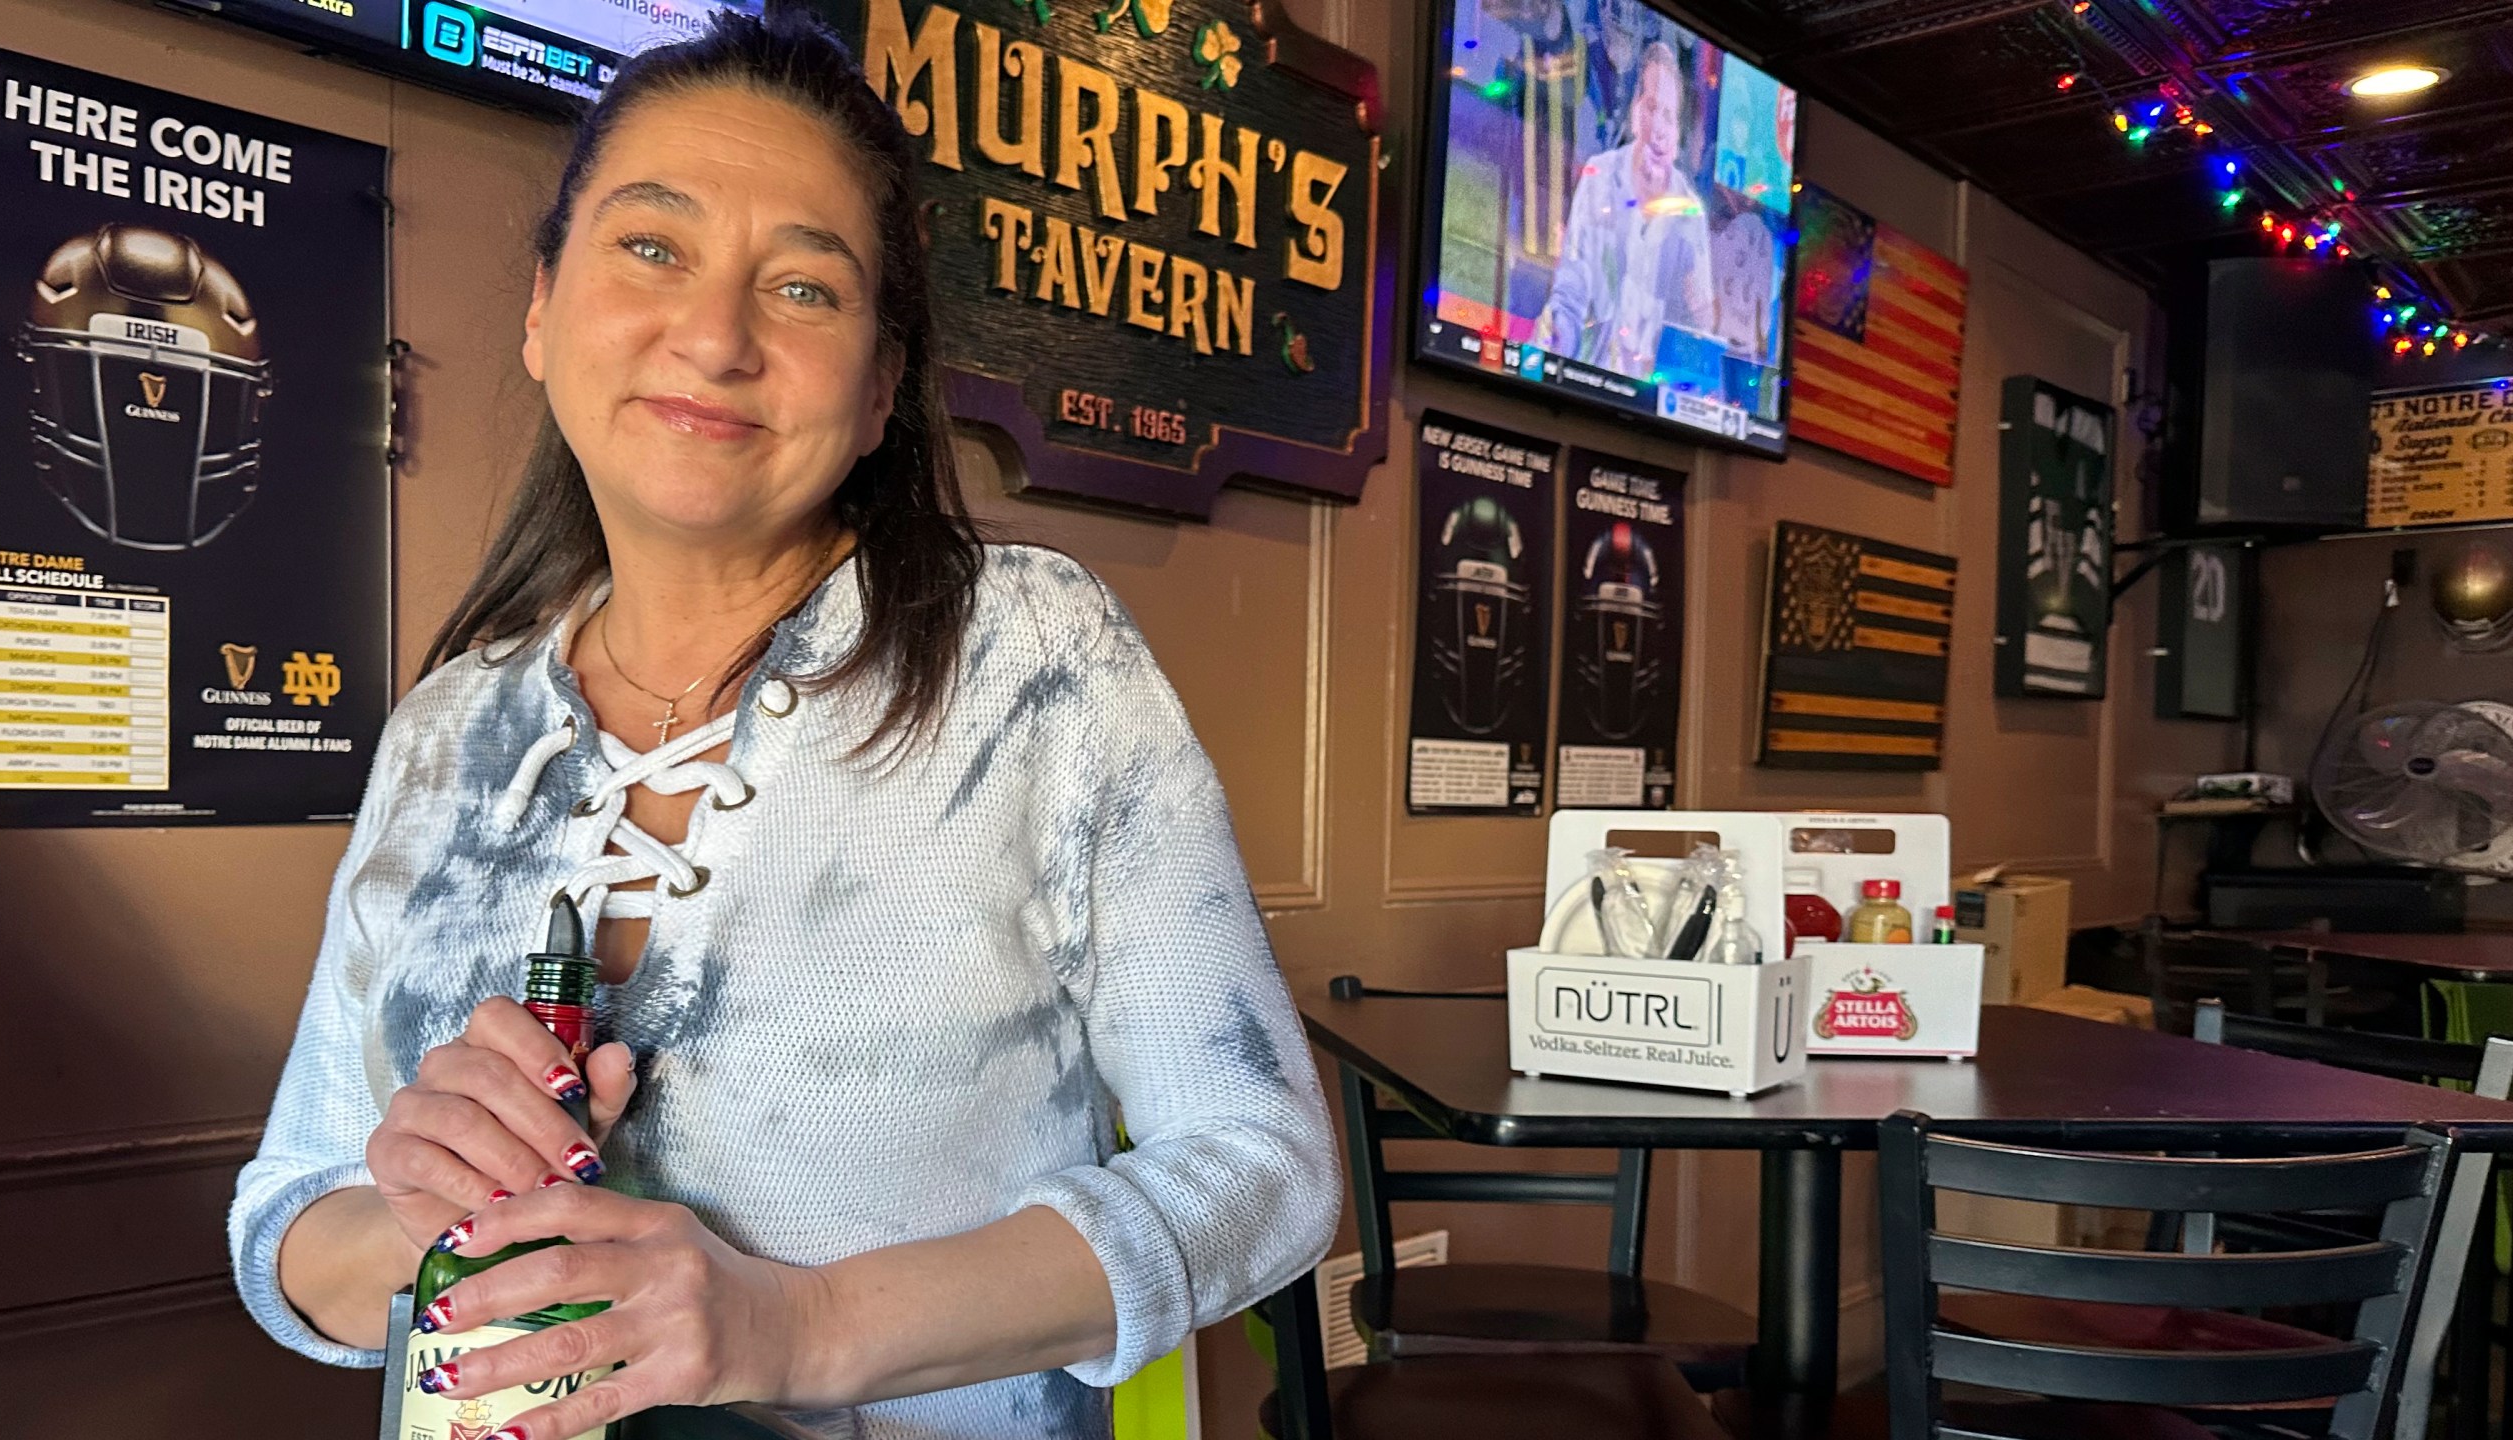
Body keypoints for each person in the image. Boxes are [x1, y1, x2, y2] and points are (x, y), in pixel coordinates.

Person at [225, 11, 1340, 1440]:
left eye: (806, 288)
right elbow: (287, 1221)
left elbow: (1265, 1165)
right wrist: (414, 1212)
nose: (715, 334)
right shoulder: (449, 727)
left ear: (881, 388)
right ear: (542, 306)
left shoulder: (1033, 659)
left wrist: (797, 1325)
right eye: (650, 248)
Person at [1539, 42, 1718, 377]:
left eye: (1669, 116)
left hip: (1655, 403)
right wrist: (1556, 354)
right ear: (1636, 111)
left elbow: (1701, 327)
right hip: (1589, 380)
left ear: (1679, 134)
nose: (1658, 128)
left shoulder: (1690, 212)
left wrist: (1700, 312)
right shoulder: (1600, 177)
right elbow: (1571, 288)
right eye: (1651, 107)